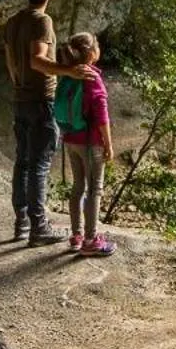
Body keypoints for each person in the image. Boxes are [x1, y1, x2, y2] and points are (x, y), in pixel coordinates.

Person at [1, 0, 96, 247]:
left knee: (23, 162)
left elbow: (11, 62)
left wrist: (19, 83)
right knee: (40, 165)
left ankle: (22, 222)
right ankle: (39, 227)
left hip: (20, 99)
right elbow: (36, 60)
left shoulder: (13, 22)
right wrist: (70, 72)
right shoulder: (42, 22)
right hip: (41, 100)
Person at [55, 31, 116, 257]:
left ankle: (76, 236)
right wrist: (108, 144)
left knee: (78, 186)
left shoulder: (69, 74)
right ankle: (91, 240)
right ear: (91, 53)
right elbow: (101, 115)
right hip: (91, 142)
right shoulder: (92, 77)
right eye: (97, 45)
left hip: (71, 138)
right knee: (94, 189)